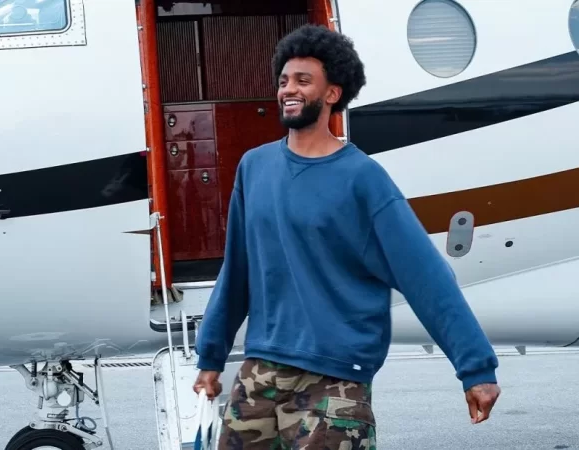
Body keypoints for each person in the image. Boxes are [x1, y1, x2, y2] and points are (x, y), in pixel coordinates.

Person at [193, 24, 501, 449]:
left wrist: (476, 368)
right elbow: (237, 271)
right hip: (260, 373)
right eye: (284, 80)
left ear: (332, 93)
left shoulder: (363, 179)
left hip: (335, 380)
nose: (288, 89)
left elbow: (426, 277)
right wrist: (211, 356)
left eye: (303, 80)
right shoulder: (254, 168)